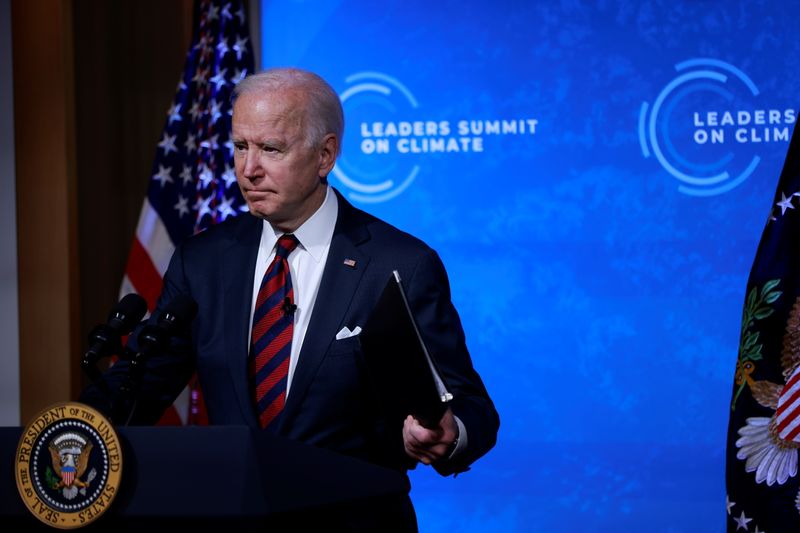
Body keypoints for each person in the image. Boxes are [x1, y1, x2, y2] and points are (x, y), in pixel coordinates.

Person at [82, 67, 498, 529]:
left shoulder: (399, 263)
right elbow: (138, 388)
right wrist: (64, 438)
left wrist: (449, 432)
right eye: (241, 146)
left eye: (270, 149)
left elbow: (471, 407)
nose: (248, 169)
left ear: (325, 155)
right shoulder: (203, 261)